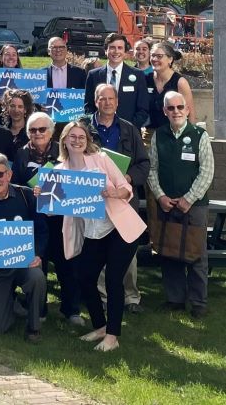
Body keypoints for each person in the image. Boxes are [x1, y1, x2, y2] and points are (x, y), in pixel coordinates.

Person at [56, 121, 147, 353]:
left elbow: (126, 188)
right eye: (72, 136)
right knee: (85, 277)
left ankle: (112, 336)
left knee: (113, 279)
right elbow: (51, 207)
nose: (77, 140)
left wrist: (114, 192)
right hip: (92, 232)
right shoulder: (59, 171)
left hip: (119, 226)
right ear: (64, 140)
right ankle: (100, 326)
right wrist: (41, 192)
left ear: (87, 140)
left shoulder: (101, 159)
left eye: (81, 137)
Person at [147, 90, 214, 318]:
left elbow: (207, 171)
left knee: (196, 253)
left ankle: (198, 302)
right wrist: (160, 197)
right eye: (171, 108)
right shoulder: (159, 135)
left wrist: (189, 198)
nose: (176, 111)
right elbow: (152, 169)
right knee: (170, 251)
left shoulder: (199, 135)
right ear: (165, 111)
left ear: (187, 109)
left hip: (194, 205)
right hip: (167, 203)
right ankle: (174, 299)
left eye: (179, 107)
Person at [11, 111, 82, 325]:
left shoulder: (63, 152)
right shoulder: (21, 155)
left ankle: (71, 310)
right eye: (32, 130)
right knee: (38, 265)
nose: (37, 133)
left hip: (61, 218)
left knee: (67, 264)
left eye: (42, 129)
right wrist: (28, 191)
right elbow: (15, 184)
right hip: (35, 219)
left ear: (51, 132)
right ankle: (39, 310)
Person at [0, 153, 47, 342]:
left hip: (23, 263)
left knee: (37, 277)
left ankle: (34, 327)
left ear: (9, 175)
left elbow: (43, 231)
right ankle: (10, 305)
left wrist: (38, 254)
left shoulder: (27, 196)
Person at [87, 82, 151, 314]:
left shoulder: (129, 129)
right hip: (95, 199)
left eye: (110, 99)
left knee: (128, 251)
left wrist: (128, 178)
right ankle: (103, 296)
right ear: (95, 102)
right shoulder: (84, 128)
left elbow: (143, 163)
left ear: (117, 102)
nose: (106, 103)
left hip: (124, 200)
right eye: (101, 99)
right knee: (99, 249)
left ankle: (131, 298)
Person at [83, 32, 149, 127]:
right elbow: (88, 107)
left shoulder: (138, 75)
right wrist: (97, 126)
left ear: (125, 52)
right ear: (106, 50)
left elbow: (143, 109)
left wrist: (128, 128)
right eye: (112, 47)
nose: (116, 51)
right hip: (99, 132)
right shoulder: (93, 75)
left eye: (120, 48)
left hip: (128, 133)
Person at [146, 41, 196, 130]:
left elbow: (190, 112)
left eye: (159, 56)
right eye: (152, 55)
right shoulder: (145, 80)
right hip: (150, 135)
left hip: (174, 135)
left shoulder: (180, 82)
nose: (154, 59)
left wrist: (191, 137)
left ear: (170, 59)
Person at [1, 89, 35, 154]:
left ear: (25, 109)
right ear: (7, 108)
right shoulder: (1, 131)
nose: (16, 110)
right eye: (12, 106)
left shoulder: (33, 133)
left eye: (20, 107)